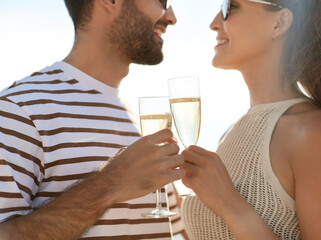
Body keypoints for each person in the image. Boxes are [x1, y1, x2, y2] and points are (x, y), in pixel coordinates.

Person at [0, 0, 187, 239]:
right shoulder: (18, 110)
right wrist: (111, 183)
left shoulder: (143, 119)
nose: (171, 17)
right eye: (162, 1)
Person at [180, 0, 321, 239]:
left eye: (230, 6)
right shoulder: (231, 133)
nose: (214, 23)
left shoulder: (318, 131)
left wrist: (232, 206)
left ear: (280, 22)